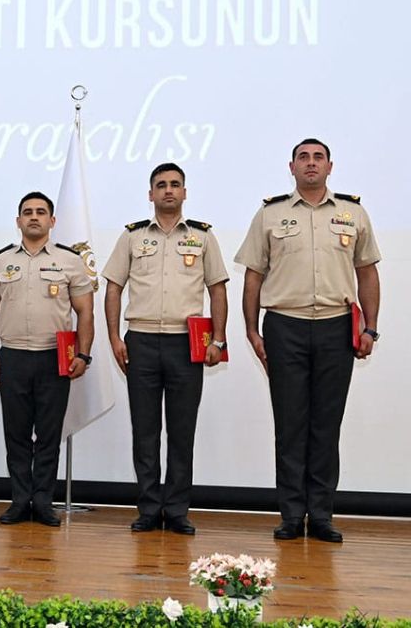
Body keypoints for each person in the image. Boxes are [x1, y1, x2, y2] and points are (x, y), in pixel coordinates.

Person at [235, 138, 381, 543]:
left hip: (337, 326)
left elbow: (367, 272)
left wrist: (370, 328)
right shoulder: (270, 214)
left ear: (330, 167)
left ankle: (320, 515)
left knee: (326, 426)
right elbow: (253, 276)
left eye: (318, 158)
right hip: (285, 327)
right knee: (290, 424)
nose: (311, 163)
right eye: (304, 157)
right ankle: (290, 515)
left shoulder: (353, 213)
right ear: (292, 167)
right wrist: (252, 330)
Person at [103, 162, 229, 535]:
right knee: (145, 431)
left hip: (186, 344)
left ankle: (176, 510)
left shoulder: (203, 236)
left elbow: (217, 289)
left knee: (181, 431)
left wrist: (218, 339)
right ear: (151, 194)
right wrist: (114, 337)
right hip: (141, 340)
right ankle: (148, 508)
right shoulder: (132, 236)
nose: (168, 190)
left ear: (184, 192)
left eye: (175, 184)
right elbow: (113, 287)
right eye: (161, 185)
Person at [0, 191, 94, 527]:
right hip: (13, 356)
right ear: (18, 221)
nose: (34, 217)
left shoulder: (70, 260)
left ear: (52, 221)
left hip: (53, 358)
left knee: (48, 435)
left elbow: (85, 312)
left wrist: (83, 354)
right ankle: (19, 501)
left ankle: (43, 501)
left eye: (41, 212)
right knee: (16, 435)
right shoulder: (0, 261)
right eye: (27, 212)